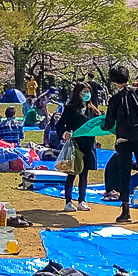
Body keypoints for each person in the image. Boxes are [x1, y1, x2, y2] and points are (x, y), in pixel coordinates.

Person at [101, 66, 138, 224]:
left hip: (124, 139)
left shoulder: (115, 99)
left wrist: (104, 126)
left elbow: (109, 122)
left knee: (124, 174)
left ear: (114, 80)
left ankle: (126, 211)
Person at [57, 84, 99, 212]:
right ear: (78, 93)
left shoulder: (92, 109)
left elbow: (98, 124)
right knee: (72, 173)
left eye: (89, 91)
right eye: (85, 91)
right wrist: (65, 133)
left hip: (88, 144)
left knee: (84, 173)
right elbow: (60, 124)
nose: (87, 94)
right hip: (76, 144)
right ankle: (68, 202)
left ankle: (82, 200)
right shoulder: (70, 108)